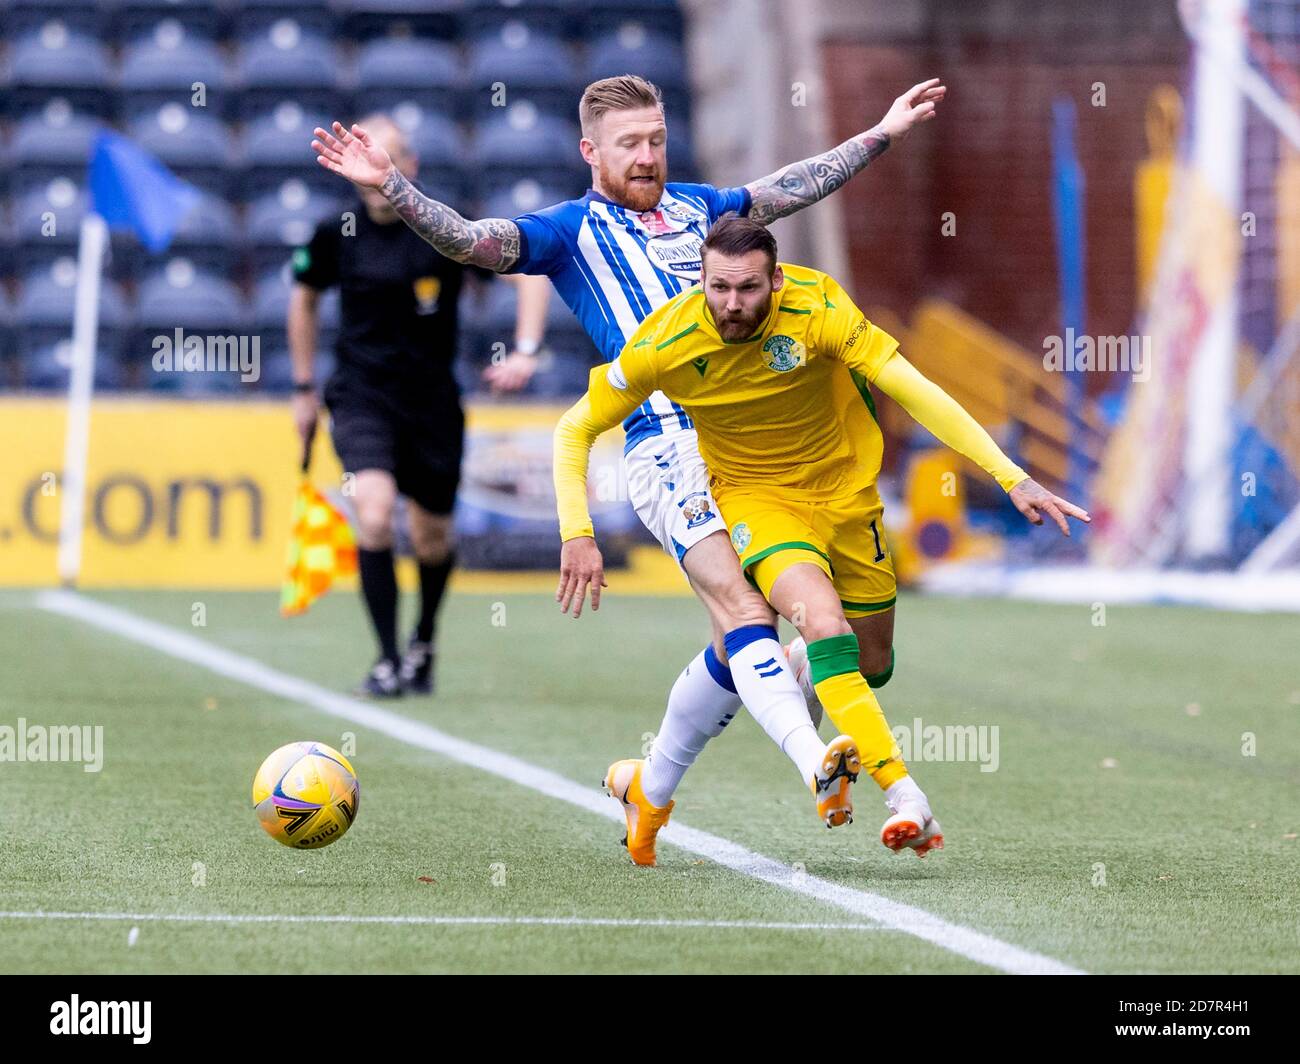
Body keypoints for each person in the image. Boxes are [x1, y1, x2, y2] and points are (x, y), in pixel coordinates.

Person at [310, 75, 946, 861]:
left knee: (756, 638)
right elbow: (474, 241)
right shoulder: (569, 231)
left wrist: (879, 131)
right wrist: (397, 189)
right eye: (628, 145)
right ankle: (816, 760)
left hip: (749, 446)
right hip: (666, 445)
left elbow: (787, 190)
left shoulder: (700, 210)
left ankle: (651, 785)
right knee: (751, 611)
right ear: (590, 152)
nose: (647, 157)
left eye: (655, 140)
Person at [553, 215, 1090, 860]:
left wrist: (1012, 477)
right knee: (822, 627)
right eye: (718, 287)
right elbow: (574, 430)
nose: (731, 304)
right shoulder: (666, 341)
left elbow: (915, 391)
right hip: (758, 505)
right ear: (700, 281)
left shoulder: (820, 308)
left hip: (847, 500)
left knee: (870, 663)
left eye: (748, 288)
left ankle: (671, 768)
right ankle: (903, 795)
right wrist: (576, 531)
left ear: (776, 281)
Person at [290, 113, 551, 697]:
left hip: (433, 402)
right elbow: (302, 300)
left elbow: (527, 275)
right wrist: (304, 388)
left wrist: (527, 351)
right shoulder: (335, 234)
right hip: (360, 397)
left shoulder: (442, 230)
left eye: (387, 155)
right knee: (375, 514)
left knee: (432, 537)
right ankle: (386, 660)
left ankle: (423, 642)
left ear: (409, 167)